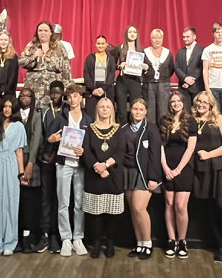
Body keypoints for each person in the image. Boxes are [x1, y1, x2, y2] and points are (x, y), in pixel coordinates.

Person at [191, 91, 222, 263]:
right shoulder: (192, 120)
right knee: (210, 209)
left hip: (221, 168)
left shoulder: (219, 119)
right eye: (199, 101)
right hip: (203, 170)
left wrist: (209, 155)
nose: (202, 104)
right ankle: (220, 246)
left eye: (205, 102)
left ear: (211, 104)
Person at [50, 84, 90, 257]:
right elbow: (50, 137)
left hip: (80, 166)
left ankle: (78, 238)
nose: (73, 100)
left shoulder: (88, 119)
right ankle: (66, 238)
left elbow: (91, 144)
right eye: (70, 97)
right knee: (63, 203)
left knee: (79, 203)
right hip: (63, 164)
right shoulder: (60, 117)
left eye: (76, 96)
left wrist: (85, 151)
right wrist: (51, 139)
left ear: (81, 97)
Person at [82, 97, 125, 259]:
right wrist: (98, 168)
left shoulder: (118, 129)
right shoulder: (90, 129)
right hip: (94, 176)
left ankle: (111, 242)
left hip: (113, 176)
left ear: (112, 110)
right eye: (101, 107)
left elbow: (121, 151)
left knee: (111, 213)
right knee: (96, 214)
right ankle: (97, 243)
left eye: (108, 107)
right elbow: (86, 151)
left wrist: (106, 165)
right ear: (97, 110)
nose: (105, 109)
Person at [0, 96, 26, 257]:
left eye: (10, 106)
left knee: (11, 202)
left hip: (11, 163)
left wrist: (21, 173)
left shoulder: (19, 126)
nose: (7, 109)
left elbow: (19, 151)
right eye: (5, 106)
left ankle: (9, 241)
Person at [122, 99, 162, 260]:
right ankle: (139, 243)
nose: (137, 111)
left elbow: (155, 154)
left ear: (146, 112)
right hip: (127, 173)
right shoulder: (124, 129)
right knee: (133, 210)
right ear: (131, 111)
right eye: (135, 109)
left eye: (141, 109)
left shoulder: (151, 128)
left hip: (144, 174)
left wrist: (153, 177)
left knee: (139, 208)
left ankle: (147, 243)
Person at [159, 91, 196, 259]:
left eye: (178, 100)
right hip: (167, 167)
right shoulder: (164, 121)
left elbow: (190, 148)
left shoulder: (191, 121)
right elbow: (160, 146)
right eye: (173, 101)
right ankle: (171, 240)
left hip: (184, 168)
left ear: (183, 102)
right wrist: (165, 167)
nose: (176, 103)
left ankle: (182, 241)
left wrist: (178, 169)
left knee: (181, 206)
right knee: (169, 204)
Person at [36, 81, 67, 253]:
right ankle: (45, 234)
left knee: (59, 199)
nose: (55, 95)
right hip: (46, 159)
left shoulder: (67, 110)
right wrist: (45, 151)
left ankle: (57, 234)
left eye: (58, 92)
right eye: (52, 93)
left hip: (62, 159)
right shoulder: (44, 110)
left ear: (62, 93)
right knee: (46, 198)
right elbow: (40, 135)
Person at [19, 21, 73, 110]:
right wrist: (34, 56)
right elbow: (20, 62)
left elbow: (66, 68)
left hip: (52, 89)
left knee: (51, 113)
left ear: (51, 32)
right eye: (40, 30)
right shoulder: (31, 46)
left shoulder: (59, 47)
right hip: (33, 87)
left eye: (45, 30)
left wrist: (68, 89)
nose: (42, 33)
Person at [15, 89, 42, 253]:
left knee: (29, 202)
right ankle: (15, 236)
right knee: (15, 201)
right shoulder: (13, 114)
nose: (24, 98)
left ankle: (27, 236)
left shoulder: (37, 115)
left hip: (31, 160)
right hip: (14, 160)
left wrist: (30, 163)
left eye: (28, 96)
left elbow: (37, 139)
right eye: (22, 95)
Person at [114, 25, 150, 123]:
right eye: (130, 32)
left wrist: (145, 68)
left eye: (134, 32)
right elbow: (112, 65)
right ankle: (122, 132)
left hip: (135, 82)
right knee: (121, 110)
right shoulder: (119, 48)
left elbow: (148, 69)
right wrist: (119, 66)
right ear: (126, 34)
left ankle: (134, 130)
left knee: (135, 108)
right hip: (122, 81)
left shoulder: (141, 50)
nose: (132, 34)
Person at [144, 29, 174, 123]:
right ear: (150, 39)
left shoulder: (167, 53)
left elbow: (171, 69)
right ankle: (151, 135)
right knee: (150, 113)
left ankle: (163, 135)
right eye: (154, 38)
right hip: (149, 85)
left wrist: (163, 78)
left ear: (162, 39)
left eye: (159, 38)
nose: (157, 40)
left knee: (163, 112)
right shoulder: (145, 52)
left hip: (163, 85)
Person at [84, 35, 117, 118]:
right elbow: (86, 74)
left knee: (106, 115)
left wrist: (103, 89)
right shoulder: (90, 57)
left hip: (106, 89)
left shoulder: (111, 59)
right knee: (91, 115)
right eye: (98, 43)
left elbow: (111, 75)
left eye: (103, 44)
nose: (100, 46)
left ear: (106, 44)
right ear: (95, 44)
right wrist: (93, 89)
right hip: (93, 89)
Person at [175, 28, 205, 107]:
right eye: (184, 37)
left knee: (197, 111)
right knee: (185, 113)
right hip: (183, 88)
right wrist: (185, 78)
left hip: (197, 87)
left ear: (194, 37)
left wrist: (190, 80)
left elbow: (202, 68)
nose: (185, 39)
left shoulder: (202, 50)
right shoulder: (180, 52)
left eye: (187, 37)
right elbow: (177, 67)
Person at [0, 32, 19, 99]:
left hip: (9, 91)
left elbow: (14, 75)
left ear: (9, 41)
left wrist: (6, 90)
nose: (3, 42)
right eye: (1, 40)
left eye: (5, 40)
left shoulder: (13, 56)